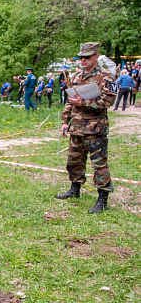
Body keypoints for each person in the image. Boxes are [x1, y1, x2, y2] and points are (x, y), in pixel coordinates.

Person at [56, 42, 116, 214]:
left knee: (99, 164)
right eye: (81, 57)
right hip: (76, 127)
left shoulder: (105, 76)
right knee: (74, 161)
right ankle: (75, 189)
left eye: (86, 57)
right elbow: (70, 101)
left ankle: (102, 198)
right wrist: (64, 121)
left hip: (95, 128)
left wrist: (84, 102)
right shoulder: (76, 76)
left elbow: (109, 101)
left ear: (96, 56)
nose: (82, 60)